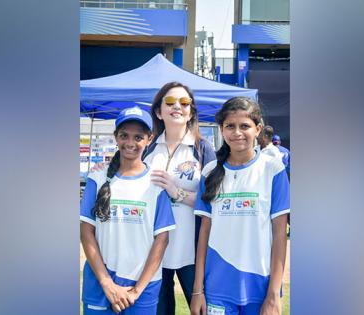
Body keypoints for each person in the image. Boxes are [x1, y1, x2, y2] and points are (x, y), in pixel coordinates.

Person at [190, 97, 290, 315]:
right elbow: (203, 235)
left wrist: (273, 294)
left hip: (260, 288)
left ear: (258, 129)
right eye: (230, 126)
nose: (237, 133)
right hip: (217, 287)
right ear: (221, 129)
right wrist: (197, 291)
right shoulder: (209, 172)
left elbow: (280, 234)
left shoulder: (273, 170)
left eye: (245, 126)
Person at [80, 107, 176, 315]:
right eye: (124, 136)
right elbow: (86, 232)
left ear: (149, 139)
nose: (130, 143)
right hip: (100, 283)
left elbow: (162, 239)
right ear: (116, 137)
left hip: (142, 287)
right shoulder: (97, 179)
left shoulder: (157, 183)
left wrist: (137, 290)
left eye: (138, 137)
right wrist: (107, 283)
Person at [144, 81, 216, 314]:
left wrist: (178, 193)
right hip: (154, 248)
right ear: (158, 111)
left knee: (201, 309)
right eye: (170, 102)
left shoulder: (203, 149)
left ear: (191, 112)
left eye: (184, 102)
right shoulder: (147, 148)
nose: (178, 107)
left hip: (193, 248)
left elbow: (215, 202)